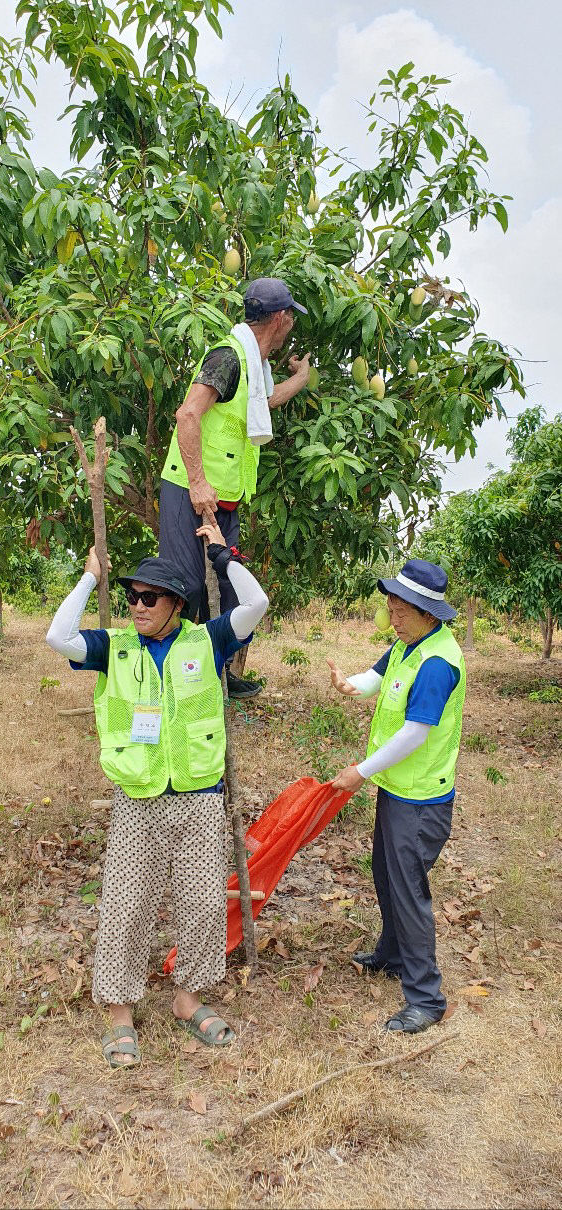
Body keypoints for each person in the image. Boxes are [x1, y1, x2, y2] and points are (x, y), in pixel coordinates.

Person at [46, 520, 268, 1068]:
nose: (137, 606)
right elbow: (57, 636)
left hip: (197, 796)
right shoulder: (114, 648)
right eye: (131, 597)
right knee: (127, 904)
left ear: (176, 604)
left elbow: (257, 602)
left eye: (149, 598)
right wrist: (88, 580)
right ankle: (119, 1012)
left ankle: (188, 1000)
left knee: (201, 903)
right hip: (139, 797)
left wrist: (221, 556)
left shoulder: (206, 639)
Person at [327, 559, 466, 1035]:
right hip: (397, 790)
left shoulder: (437, 663)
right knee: (386, 875)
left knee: (409, 892)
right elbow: (377, 676)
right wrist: (350, 684)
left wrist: (360, 772)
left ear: (427, 612)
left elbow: (416, 733)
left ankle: (426, 998)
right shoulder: (408, 646)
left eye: (400, 606)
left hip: (421, 800)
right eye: (390, 602)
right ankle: (390, 954)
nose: (391, 612)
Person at [159, 276, 310, 698]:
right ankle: (169, 679)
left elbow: (266, 401)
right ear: (280, 318)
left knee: (229, 588)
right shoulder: (228, 357)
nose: (292, 325)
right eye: (291, 318)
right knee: (184, 586)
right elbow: (187, 415)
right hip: (188, 490)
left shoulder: (254, 367)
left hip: (225, 498)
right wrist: (197, 483)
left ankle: (215, 677)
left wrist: (303, 377)